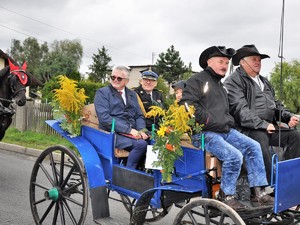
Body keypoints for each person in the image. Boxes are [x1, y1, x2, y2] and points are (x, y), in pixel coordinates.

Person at [180, 46, 274, 211]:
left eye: (226, 62)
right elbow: (187, 105)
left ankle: (258, 192)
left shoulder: (220, 85)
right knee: (234, 156)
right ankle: (226, 195)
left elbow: (227, 111)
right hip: (204, 133)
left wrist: (228, 121)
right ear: (209, 62)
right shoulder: (197, 80)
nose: (224, 65)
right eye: (220, 61)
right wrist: (207, 120)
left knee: (253, 146)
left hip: (223, 131)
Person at [224, 44, 300, 182]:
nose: (258, 62)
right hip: (245, 130)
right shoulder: (233, 81)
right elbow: (240, 110)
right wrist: (263, 125)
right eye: (254, 59)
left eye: (259, 60)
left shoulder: (264, 81)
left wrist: (288, 117)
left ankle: (287, 179)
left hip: (267, 128)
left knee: (296, 136)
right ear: (242, 61)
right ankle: (268, 185)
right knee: (260, 138)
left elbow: (275, 105)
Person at [94, 66, 148, 169]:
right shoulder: (102, 93)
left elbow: (139, 115)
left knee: (155, 143)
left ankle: (149, 174)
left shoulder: (132, 94)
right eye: (113, 77)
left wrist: (141, 130)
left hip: (133, 132)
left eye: (119, 78)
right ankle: (128, 174)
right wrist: (129, 130)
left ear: (126, 81)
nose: (115, 80)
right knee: (141, 145)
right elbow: (104, 118)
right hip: (113, 133)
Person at [134, 67, 164, 132]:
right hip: (142, 129)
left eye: (152, 80)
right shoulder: (134, 94)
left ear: (156, 83)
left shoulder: (158, 94)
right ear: (141, 81)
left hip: (157, 128)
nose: (148, 82)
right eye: (145, 79)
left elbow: (162, 113)